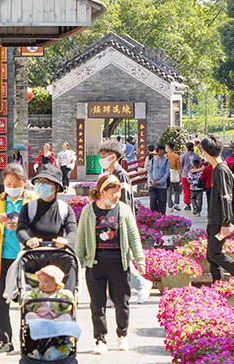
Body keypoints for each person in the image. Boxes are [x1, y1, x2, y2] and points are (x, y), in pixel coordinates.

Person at [76, 174, 146, 354]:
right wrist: (77, 262)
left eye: (118, 192)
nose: (116, 196)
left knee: (122, 303)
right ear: (102, 192)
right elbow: (81, 238)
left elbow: (134, 237)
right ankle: (100, 339)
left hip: (119, 264)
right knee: (97, 305)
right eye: (113, 192)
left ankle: (122, 335)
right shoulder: (88, 211)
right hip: (96, 264)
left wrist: (139, 260)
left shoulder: (123, 210)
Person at [0, 163, 36, 355]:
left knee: (28, 301)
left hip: (25, 258)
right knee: (0, 302)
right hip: (1, 257)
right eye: (8, 183)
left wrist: (22, 228)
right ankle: (4, 341)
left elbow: (40, 228)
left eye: (16, 183)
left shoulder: (33, 201)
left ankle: (29, 340)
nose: (12, 187)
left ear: (24, 182)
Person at [99, 141, 153, 303]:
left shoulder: (120, 175)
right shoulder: (111, 175)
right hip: (111, 222)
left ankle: (141, 283)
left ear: (113, 157)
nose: (101, 159)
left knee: (119, 259)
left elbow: (126, 202)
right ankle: (115, 294)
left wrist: (124, 223)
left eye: (104, 156)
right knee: (115, 259)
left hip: (119, 223)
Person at [200, 134, 234, 281]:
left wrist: (226, 222)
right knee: (211, 256)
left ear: (206, 151)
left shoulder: (221, 170)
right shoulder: (217, 168)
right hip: (214, 218)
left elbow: (226, 197)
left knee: (214, 254)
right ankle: (217, 285)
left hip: (220, 219)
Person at [16, 165, 77, 250]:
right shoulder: (29, 207)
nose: (41, 185)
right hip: (33, 254)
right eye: (38, 181)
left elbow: (72, 231)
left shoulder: (64, 209)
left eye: (45, 182)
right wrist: (28, 240)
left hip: (58, 253)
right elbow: (20, 229)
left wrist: (66, 240)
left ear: (57, 187)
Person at [147, 144, 170, 214]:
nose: (156, 152)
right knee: (152, 202)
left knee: (162, 203)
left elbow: (167, 173)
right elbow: (150, 171)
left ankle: (162, 218)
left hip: (162, 186)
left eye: (157, 150)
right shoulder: (153, 159)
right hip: (152, 185)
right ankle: (153, 217)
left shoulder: (166, 161)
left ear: (162, 151)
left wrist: (160, 182)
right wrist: (151, 180)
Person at [180, 142, 198, 210]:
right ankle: (194, 203)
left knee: (186, 190)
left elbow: (181, 165)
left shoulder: (184, 155)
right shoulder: (196, 155)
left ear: (187, 148)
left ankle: (188, 204)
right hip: (194, 175)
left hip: (185, 175)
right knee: (194, 189)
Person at [165, 142, 182, 213]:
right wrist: (180, 175)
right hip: (175, 174)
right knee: (177, 190)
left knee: (168, 190)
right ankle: (176, 203)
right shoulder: (177, 156)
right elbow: (179, 167)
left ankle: (170, 205)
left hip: (167, 174)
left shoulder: (165, 156)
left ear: (168, 148)